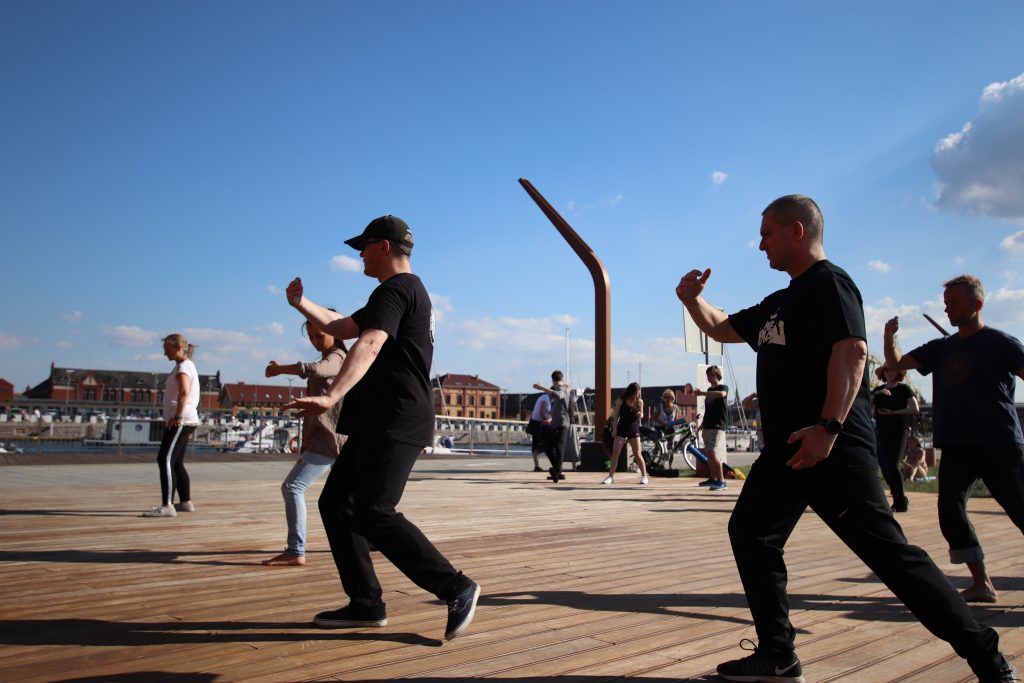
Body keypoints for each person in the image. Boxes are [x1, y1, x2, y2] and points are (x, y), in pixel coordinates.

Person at [676, 195, 1014, 683]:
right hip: (788, 452)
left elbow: (853, 353)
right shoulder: (780, 301)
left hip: (830, 449)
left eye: (767, 234)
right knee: (750, 532)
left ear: (797, 230)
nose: (760, 244)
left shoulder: (830, 284)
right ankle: (778, 655)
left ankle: (988, 658)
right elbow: (722, 327)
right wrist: (692, 299)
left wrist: (828, 427)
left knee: (892, 559)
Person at [283, 214, 479, 641]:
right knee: (337, 504)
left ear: (384, 247)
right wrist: (301, 303)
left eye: (364, 246)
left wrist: (331, 396)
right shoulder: (401, 291)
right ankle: (365, 603)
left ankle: (456, 587)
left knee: (374, 512)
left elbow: (369, 342)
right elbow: (339, 327)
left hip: (395, 418)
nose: (359, 254)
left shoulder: (395, 290)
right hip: (379, 420)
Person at [884, 274, 1024, 605]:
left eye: (954, 303)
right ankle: (981, 582)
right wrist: (889, 337)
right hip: (958, 444)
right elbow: (896, 365)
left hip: (998, 442)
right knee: (950, 510)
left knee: (1020, 508)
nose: (947, 309)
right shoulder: (940, 348)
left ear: (977, 304)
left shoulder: (1001, 343)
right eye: (946, 304)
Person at [261, 316, 348, 567]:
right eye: (311, 337)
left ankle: (295, 550)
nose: (315, 341)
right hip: (326, 439)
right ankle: (370, 540)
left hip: (329, 440)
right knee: (347, 499)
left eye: (319, 335)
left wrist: (280, 370)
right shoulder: (333, 357)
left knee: (292, 487)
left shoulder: (338, 357)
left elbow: (315, 370)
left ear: (334, 332)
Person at [143, 333, 200, 518]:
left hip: (181, 420)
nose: (164, 353)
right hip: (186, 419)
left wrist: (177, 416)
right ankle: (185, 502)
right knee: (176, 462)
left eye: (167, 349)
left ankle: (167, 505)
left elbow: (184, 391)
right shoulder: (185, 365)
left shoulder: (183, 367)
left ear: (178, 348)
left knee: (164, 459)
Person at [870, 366, 920, 512]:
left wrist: (893, 412)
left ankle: (901, 499)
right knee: (886, 466)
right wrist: (877, 393)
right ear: (883, 373)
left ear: (898, 372)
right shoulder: (878, 391)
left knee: (893, 463)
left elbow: (915, 408)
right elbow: (866, 405)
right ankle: (897, 498)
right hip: (883, 430)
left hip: (900, 430)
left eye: (893, 370)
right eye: (887, 371)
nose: (890, 373)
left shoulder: (904, 389)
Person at [601, 382, 649, 485]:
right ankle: (610, 476)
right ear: (631, 392)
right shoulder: (621, 400)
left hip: (633, 428)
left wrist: (640, 414)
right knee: (615, 453)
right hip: (622, 428)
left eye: (638, 393)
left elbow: (642, 414)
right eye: (636, 393)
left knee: (637, 453)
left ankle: (644, 476)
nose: (637, 395)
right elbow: (616, 416)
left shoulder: (639, 401)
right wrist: (614, 429)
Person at [532, 371, 571, 482]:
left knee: (559, 447)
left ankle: (557, 472)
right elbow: (558, 409)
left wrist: (542, 387)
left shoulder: (562, 389)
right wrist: (550, 419)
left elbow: (559, 395)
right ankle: (558, 471)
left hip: (562, 424)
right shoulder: (559, 389)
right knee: (547, 445)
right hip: (554, 424)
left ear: (553, 380)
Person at [695, 366, 729, 490]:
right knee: (709, 453)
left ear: (717, 375)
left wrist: (702, 393)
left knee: (713, 453)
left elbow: (721, 394)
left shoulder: (723, 387)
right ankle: (713, 478)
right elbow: (708, 410)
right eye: (708, 375)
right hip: (708, 425)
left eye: (712, 375)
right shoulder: (709, 390)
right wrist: (702, 424)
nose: (709, 377)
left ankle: (721, 481)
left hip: (717, 425)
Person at [527, 392, 552, 473]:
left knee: (536, 445)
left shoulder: (544, 397)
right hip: (538, 424)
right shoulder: (545, 398)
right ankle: (538, 466)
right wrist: (547, 421)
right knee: (544, 444)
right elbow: (541, 412)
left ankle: (536, 466)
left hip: (537, 423)